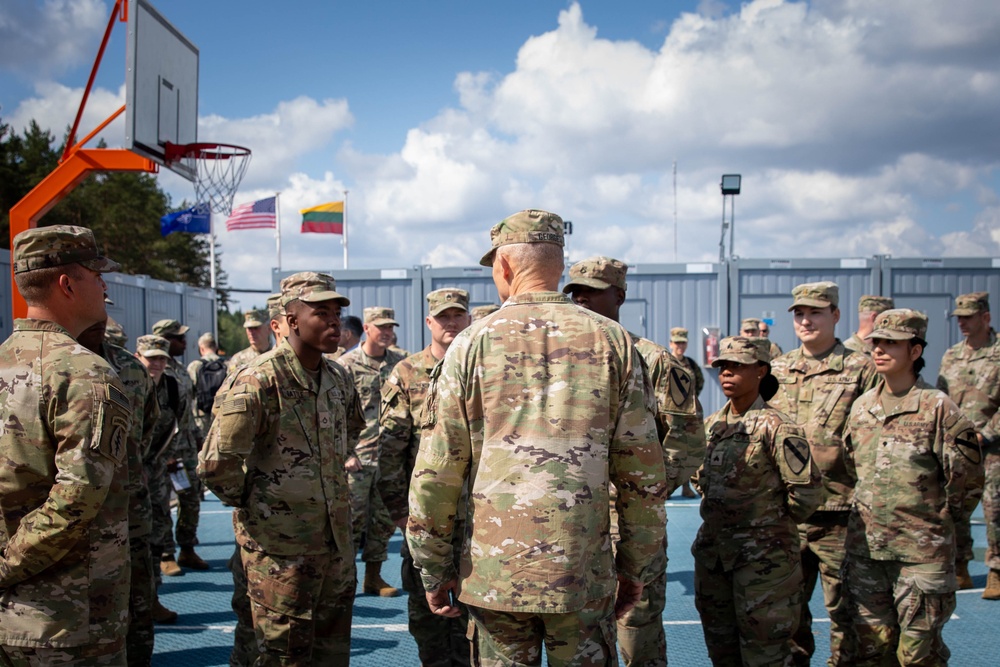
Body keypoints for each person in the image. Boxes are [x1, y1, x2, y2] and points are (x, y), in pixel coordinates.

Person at [407, 209, 667, 666]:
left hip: (495, 573)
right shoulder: (615, 342)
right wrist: (635, 567)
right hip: (581, 571)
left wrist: (433, 567)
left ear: (504, 267)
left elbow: (437, 471)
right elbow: (642, 474)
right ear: (559, 266)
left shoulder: (470, 344)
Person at [199, 271, 364, 666]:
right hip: (279, 553)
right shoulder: (258, 379)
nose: (333, 322)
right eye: (320, 313)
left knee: (331, 650)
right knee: (278, 653)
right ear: (291, 321)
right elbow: (216, 464)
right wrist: (260, 506)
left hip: (335, 546)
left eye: (337, 314)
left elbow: (350, 431)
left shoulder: (338, 377)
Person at [0, 225, 132, 665]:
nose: (104, 284)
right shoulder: (84, 373)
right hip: (69, 621)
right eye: (97, 274)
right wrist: (6, 566)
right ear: (67, 284)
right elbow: (76, 500)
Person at [564, 256, 704, 667]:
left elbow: (687, 441)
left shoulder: (655, 360)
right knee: (579, 633)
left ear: (620, 296)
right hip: (575, 522)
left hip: (631, 520)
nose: (583, 300)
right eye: (576, 293)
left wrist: (646, 492)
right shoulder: (565, 359)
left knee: (636, 626)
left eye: (594, 292)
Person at [844, 309, 983, 665]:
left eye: (892, 343)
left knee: (918, 655)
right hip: (867, 551)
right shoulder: (861, 407)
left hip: (921, 554)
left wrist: (936, 524)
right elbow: (851, 465)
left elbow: (966, 478)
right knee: (871, 651)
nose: (880, 350)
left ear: (915, 351)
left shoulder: (938, 408)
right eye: (877, 342)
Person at [768, 281, 879, 666]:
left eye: (815, 312)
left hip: (841, 514)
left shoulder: (862, 368)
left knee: (848, 613)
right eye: (799, 313)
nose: (805, 320)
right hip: (789, 514)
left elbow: (875, 437)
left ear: (835, 315)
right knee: (788, 615)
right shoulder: (776, 369)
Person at [693, 336, 821, 666]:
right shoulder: (712, 427)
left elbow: (806, 491)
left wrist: (771, 526)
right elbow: (698, 478)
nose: (726, 373)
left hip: (764, 562)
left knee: (765, 651)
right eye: (722, 366)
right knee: (721, 648)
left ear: (761, 371)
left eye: (738, 366)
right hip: (716, 558)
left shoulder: (778, 427)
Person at [379, 287, 473, 667]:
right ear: (429, 322)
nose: (451, 323)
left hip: (477, 524)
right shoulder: (406, 373)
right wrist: (401, 514)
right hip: (425, 521)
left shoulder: (480, 366)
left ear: (467, 320)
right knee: (428, 620)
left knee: (477, 623)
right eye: (443, 317)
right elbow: (389, 453)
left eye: (458, 316)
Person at [79, 319, 161, 665]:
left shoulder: (130, 368)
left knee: (137, 602)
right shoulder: (49, 365)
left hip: (129, 507)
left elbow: (149, 428)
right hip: (72, 518)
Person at [225, 293, 290, 667]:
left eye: (257, 328)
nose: (252, 334)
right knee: (253, 615)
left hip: (309, 530)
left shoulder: (328, 373)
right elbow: (220, 457)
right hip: (262, 523)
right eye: (247, 328)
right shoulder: (246, 370)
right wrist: (247, 500)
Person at [337, 306, 407, 597]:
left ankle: (374, 577)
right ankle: (345, 578)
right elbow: (335, 414)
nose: (388, 333)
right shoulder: (346, 365)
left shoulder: (401, 362)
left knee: (383, 520)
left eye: (391, 328)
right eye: (382, 328)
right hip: (357, 459)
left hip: (390, 458)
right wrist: (345, 454)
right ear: (367, 329)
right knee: (351, 520)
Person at [937, 291, 999, 596]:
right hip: (957, 447)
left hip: (993, 449)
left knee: (994, 509)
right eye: (958, 317)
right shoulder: (952, 355)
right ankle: (959, 565)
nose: (961, 322)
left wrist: (986, 434)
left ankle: (997, 570)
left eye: (967, 317)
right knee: (955, 506)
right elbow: (941, 397)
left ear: (985, 317)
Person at [151, 318, 208, 573]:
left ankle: (187, 548)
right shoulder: (153, 372)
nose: (185, 342)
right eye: (179, 338)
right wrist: (168, 453)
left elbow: (188, 411)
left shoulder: (181, 370)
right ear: (164, 340)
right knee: (162, 502)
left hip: (187, 447)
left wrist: (198, 439)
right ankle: (166, 553)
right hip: (165, 450)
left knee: (191, 498)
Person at [134, 334, 185, 623]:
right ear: (138, 356)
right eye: (151, 357)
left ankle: (152, 598)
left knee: (156, 529)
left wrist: (167, 458)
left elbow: (180, 425)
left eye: (162, 358)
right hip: (125, 471)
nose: (156, 363)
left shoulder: (173, 388)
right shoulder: (125, 383)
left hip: (154, 469)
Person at [188, 331, 227, 436]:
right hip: (223, 415)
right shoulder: (227, 364)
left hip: (202, 417)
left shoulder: (195, 366)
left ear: (201, 348)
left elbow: (188, 393)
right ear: (215, 347)